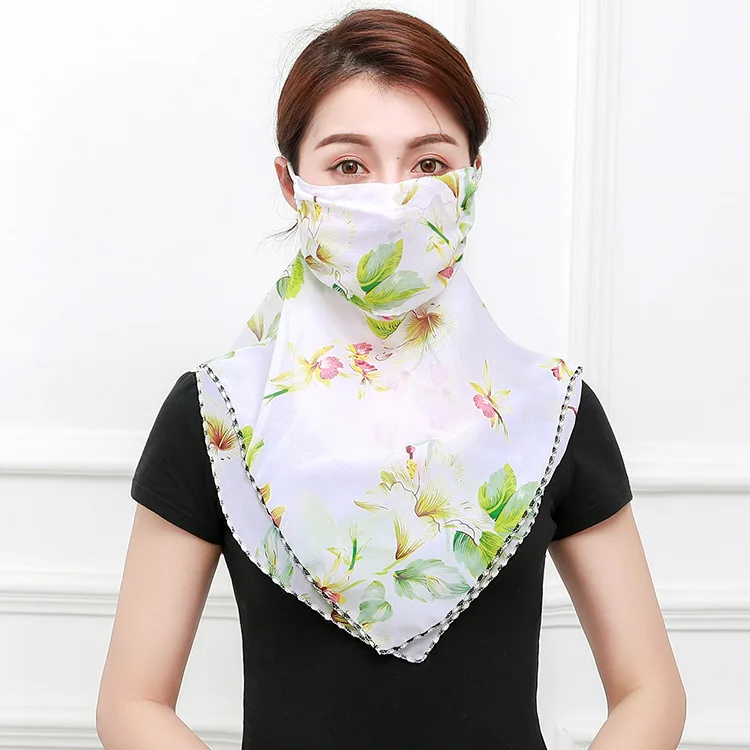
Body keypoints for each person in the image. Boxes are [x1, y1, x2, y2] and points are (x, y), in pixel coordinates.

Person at [96, 8, 686, 749]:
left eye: (429, 165)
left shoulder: (549, 410)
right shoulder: (222, 416)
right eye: (349, 166)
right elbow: (133, 702)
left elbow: (649, 689)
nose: (392, 198)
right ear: (290, 183)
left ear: (472, 179)